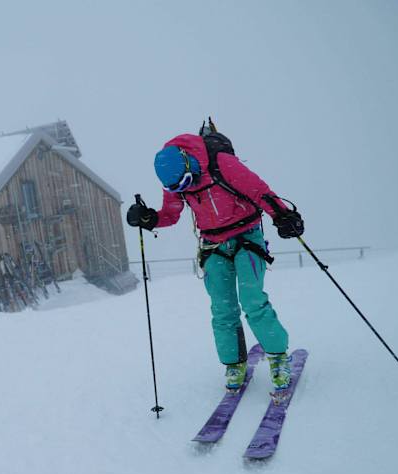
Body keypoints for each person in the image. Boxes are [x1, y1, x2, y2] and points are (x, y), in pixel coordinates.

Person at [126, 120, 304, 394]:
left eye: (187, 181)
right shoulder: (175, 180)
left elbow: (260, 191)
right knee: (222, 308)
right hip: (212, 244)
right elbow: (171, 214)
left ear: (188, 162)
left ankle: (279, 358)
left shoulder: (222, 163)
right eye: (178, 187)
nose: (185, 187)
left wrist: (283, 216)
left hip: (247, 237)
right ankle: (234, 363)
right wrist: (149, 219)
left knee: (252, 300)